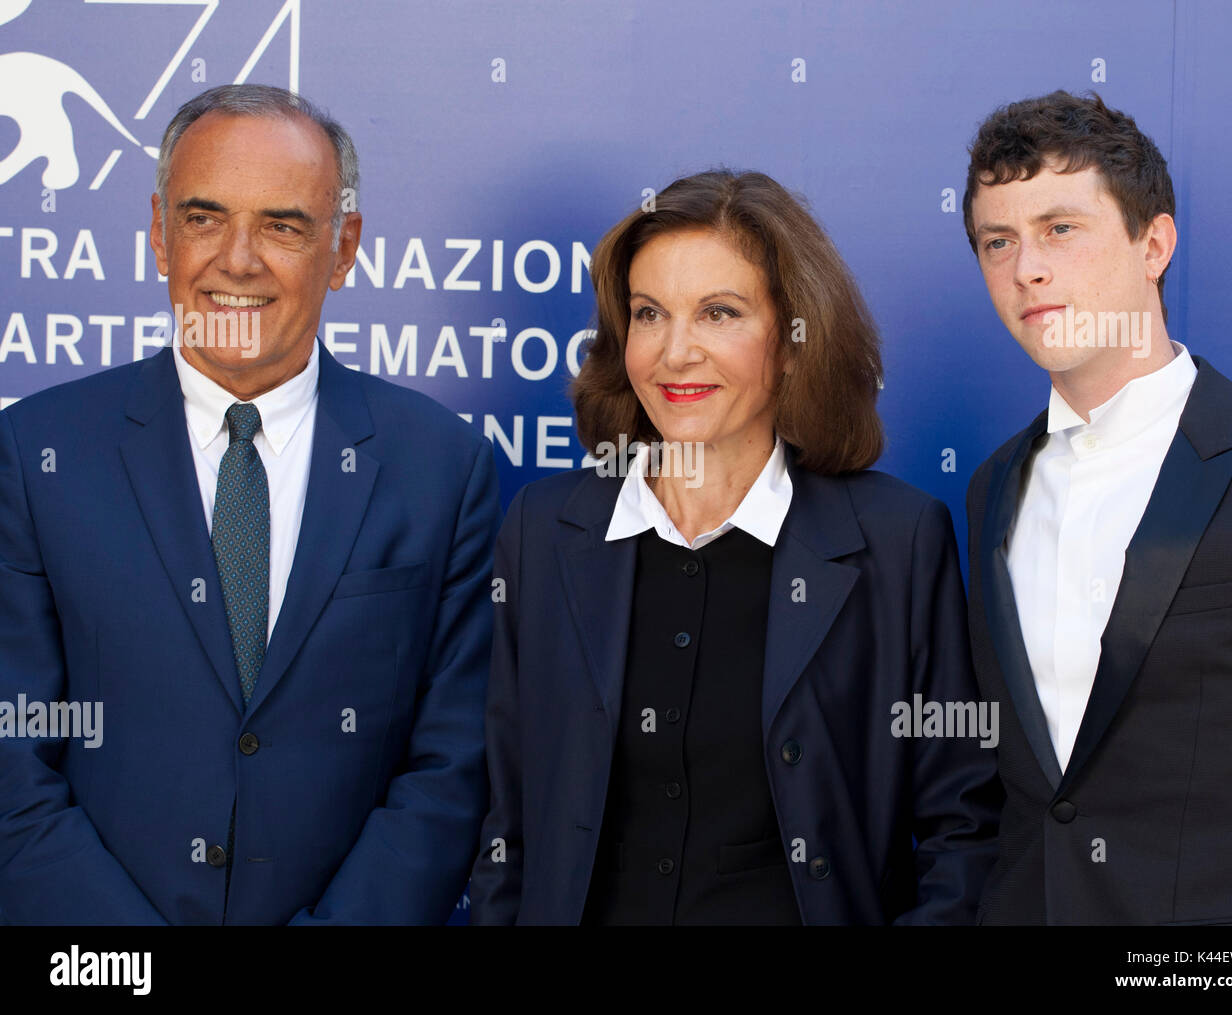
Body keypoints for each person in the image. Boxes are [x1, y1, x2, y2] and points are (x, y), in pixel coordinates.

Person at [0, 84, 498, 924]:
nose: (237, 259)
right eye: (203, 218)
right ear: (160, 235)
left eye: (282, 225)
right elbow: (14, 762)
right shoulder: (34, 454)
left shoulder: (441, 467)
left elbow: (451, 765)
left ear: (344, 250)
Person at [470, 169, 1000, 925]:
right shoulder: (545, 528)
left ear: (791, 342)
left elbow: (963, 829)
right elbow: (507, 819)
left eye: (718, 313)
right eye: (649, 314)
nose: (675, 352)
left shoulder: (896, 541)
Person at [963, 90, 1232, 924]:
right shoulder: (990, 488)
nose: (1026, 268)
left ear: (1155, 242)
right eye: (996, 242)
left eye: (1059, 229)